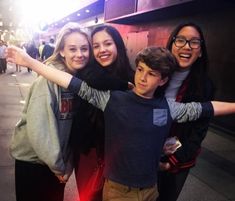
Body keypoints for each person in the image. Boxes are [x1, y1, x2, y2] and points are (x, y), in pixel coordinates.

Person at [5, 45, 235, 201]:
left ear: (163, 79)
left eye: (152, 73)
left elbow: (208, 108)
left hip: (150, 189)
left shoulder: (168, 108)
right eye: (141, 70)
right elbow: (70, 82)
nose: (143, 77)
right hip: (117, 190)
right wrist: (28, 61)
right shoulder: (112, 99)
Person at [8, 22, 92, 201]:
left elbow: (70, 128)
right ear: (62, 51)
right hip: (34, 163)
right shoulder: (47, 81)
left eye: (84, 49)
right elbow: (40, 129)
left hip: (53, 162)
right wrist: (58, 167)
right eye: (73, 49)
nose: (80, 54)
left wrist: (66, 163)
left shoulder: (76, 82)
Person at [72, 24, 134, 201]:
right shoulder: (88, 72)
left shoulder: (132, 75)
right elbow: (96, 79)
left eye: (107, 44)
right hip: (88, 152)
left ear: (118, 45)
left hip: (118, 156)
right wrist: (124, 86)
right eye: (96, 46)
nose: (102, 50)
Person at [157, 22, 215, 201]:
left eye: (194, 42)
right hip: (148, 151)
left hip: (178, 159)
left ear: (200, 51)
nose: (186, 47)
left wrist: (171, 162)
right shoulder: (156, 74)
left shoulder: (205, 86)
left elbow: (198, 133)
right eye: (180, 40)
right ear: (171, 45)